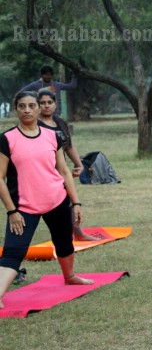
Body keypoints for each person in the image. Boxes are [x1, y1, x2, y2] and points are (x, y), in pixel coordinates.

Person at [0, 91, 92, 309]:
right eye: (22, 106)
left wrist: (76, 202)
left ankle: (69, 276)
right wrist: (12, 211)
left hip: (56, 199)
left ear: (38, 109)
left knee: (64, 241)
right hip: (24, 208)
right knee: (14, 251)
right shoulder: (7, 139)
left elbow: (64, 171)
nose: (27, 110)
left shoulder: (53, 135)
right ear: (16, 109)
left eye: (32, 106)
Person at [37, 89, 102, 242]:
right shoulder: (35, 124)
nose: (46, 106)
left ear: (55, 104)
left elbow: (68, 145)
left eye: (49, 103)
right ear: (37, 105)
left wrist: (79, 164)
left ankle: (77, 233)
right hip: (42, 172)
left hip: (60, 171)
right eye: (42, 103)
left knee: (68, 200)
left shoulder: (60, 122)